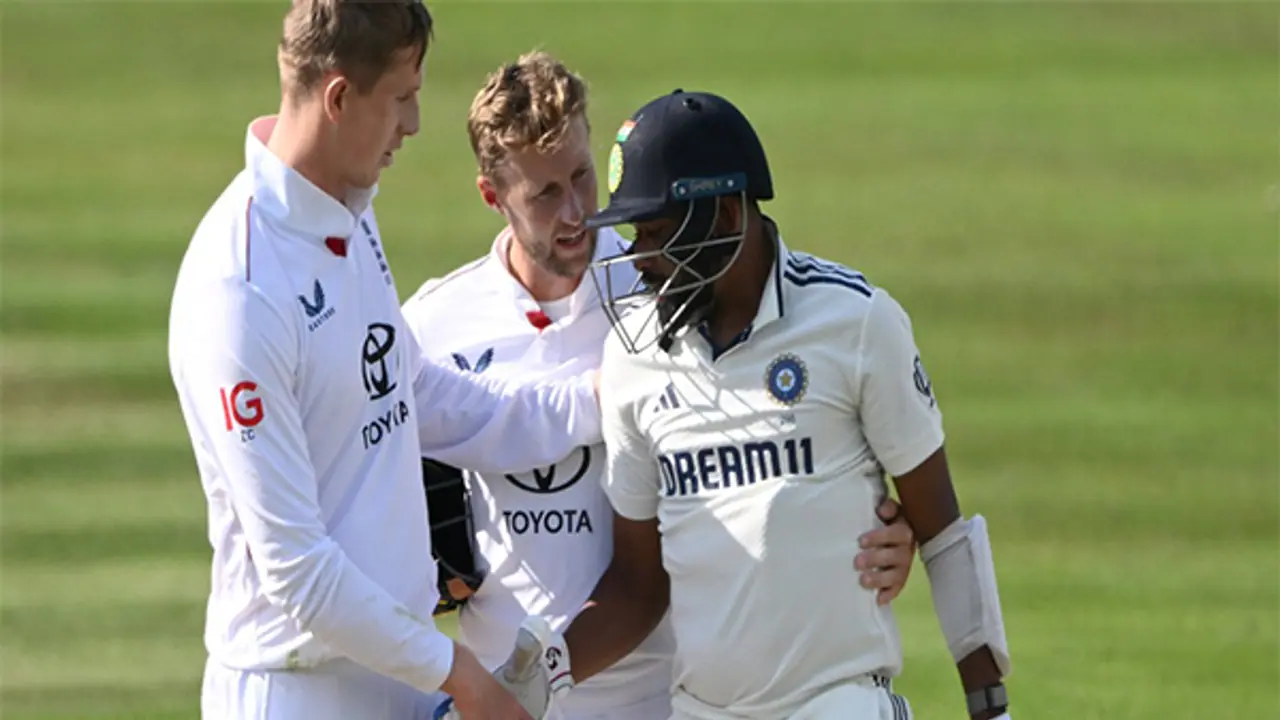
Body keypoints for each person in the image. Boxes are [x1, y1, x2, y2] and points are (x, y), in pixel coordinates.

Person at [400, 54, 921, 720]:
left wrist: (877, 520)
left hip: (664, 700)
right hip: (510, 699)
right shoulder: (435, 324)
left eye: (583, 177)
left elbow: (782, 411)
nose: (578, 214)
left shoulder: (666, 281)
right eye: (545, 193)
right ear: (492, 196)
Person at [167, 3, 597, 719]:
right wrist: (462, 675)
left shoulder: (350, 210)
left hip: (398, 671)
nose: (415, 123)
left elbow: (412, 389)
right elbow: (296, 571)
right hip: (297, 690)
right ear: (340, 98)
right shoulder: (240, 289)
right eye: (403, 97)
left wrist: (602, 400)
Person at [548, 90, 1015, 720]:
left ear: (725, 216)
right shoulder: (634, 360)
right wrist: (536, 674)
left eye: (658, 235)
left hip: (838, 703)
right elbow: (638, 584)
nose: (643, 262)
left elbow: (943, 532)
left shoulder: (854, 322)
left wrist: (990, 708)